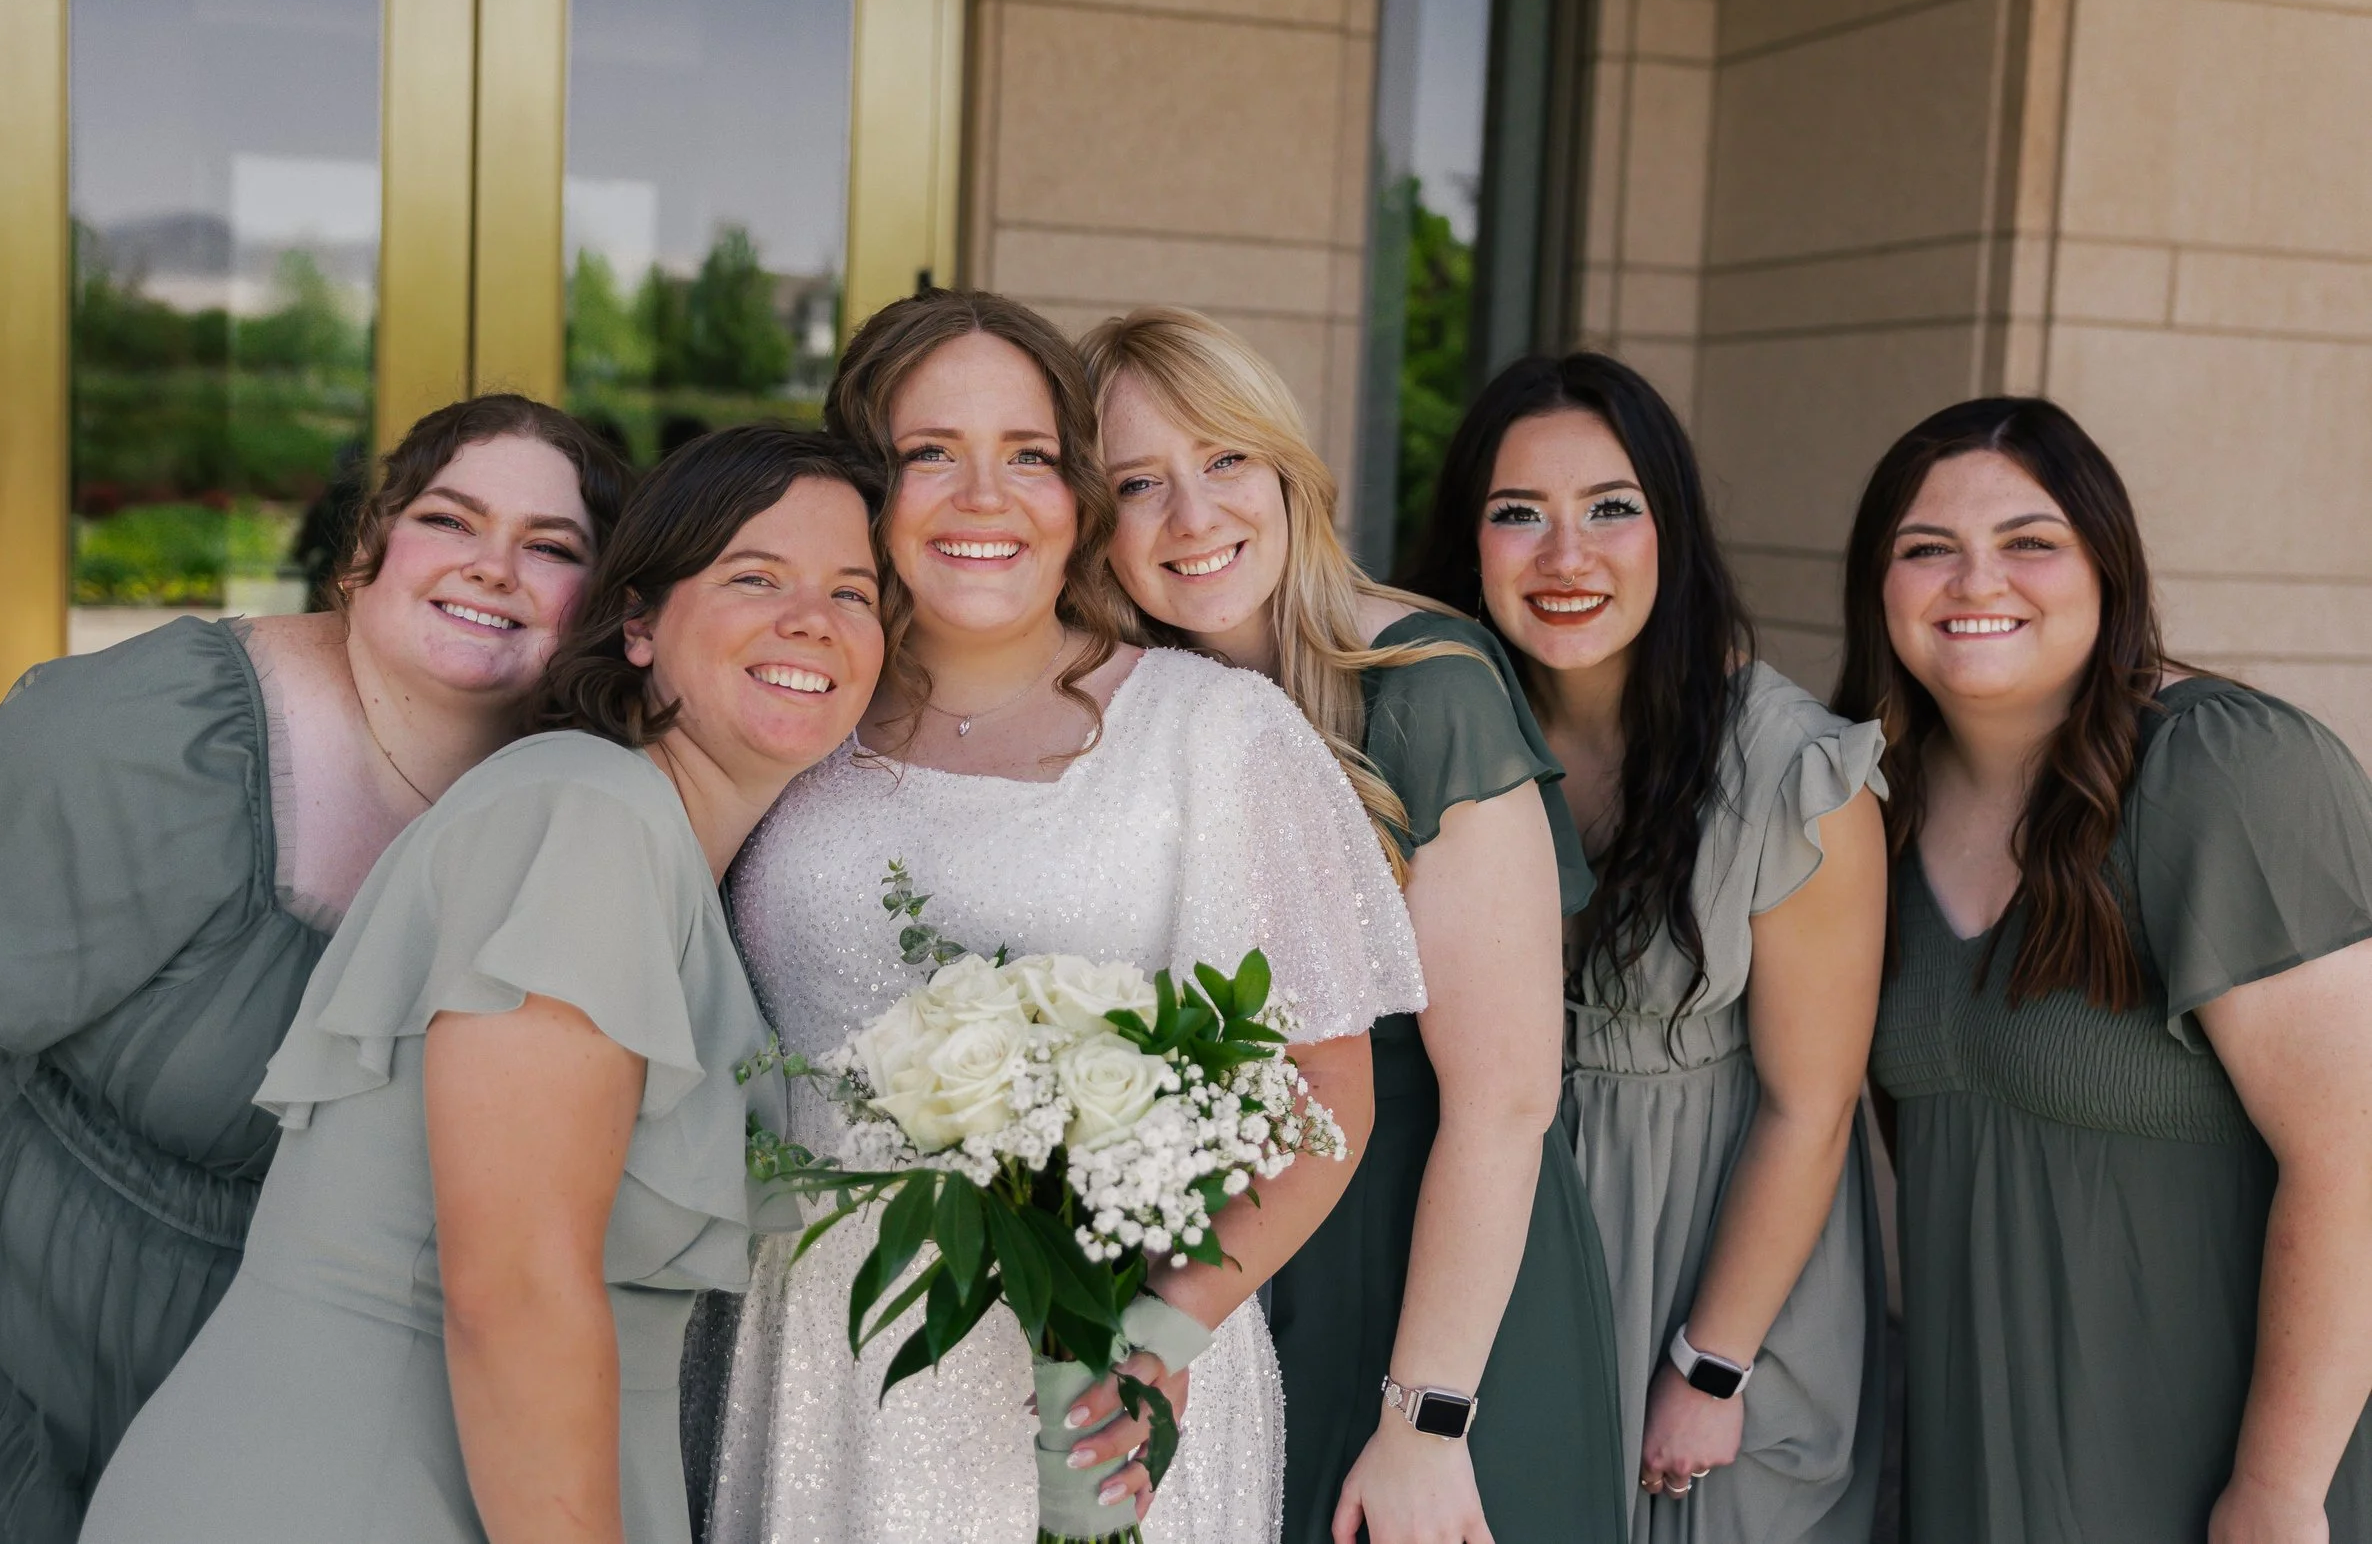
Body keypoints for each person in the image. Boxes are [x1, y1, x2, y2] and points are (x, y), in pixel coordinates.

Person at [703, 289, 1424, 1543]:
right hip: (823, 1348)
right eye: (931, 452)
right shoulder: (791, 715)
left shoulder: (1213, 734)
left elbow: (1325, 1095)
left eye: (1029, 456)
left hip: (1108, 1367)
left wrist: (1156, 1336)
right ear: (862, 485)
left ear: (1078, 497)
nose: (985, 498)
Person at [79, 423, 885, 1544]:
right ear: (640, 621)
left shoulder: (671, 859)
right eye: (756, 576)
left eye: (854, 591)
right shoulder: (586, 818)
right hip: (356, 1491)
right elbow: (513, 1290)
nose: (814, 618)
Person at [0, 394, 625, 1544]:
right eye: (450, 519)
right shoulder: (171, 725)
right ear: (368, 550)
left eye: (552, 546)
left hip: (250, 1440)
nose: (494, 567)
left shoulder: (561, 811)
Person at [1082, 306, 1627, 1544]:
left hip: (1431, 1290)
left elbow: (1503, 1100)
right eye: (1136, 482)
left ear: (1286, 472)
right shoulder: (1126, 708)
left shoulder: (1426, 687)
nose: (1194, 515)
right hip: (1231, 1283)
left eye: (1226, 459)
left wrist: (1425, 1420)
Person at [1838, 398, 2372, 1542]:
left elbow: (2358, 1160)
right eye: (1926, 547)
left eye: (2029, 541)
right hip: (1974, 1454)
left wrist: (2276, 1493)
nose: (1975, 580)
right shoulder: (1875, 806)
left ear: (2106, 565)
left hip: (2220, 1469)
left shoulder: (2228, 773)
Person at [1409, 354, 1888, 1542]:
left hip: (1703, 1267)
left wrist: (1710, 1360)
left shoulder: (1793, 771)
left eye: (1610, 509)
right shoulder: (1423, 730)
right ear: (1468, 544)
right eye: (1518, 513)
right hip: (1479, 1256)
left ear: (1671, 532)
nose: (1565, 556)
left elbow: (1810, 1106)